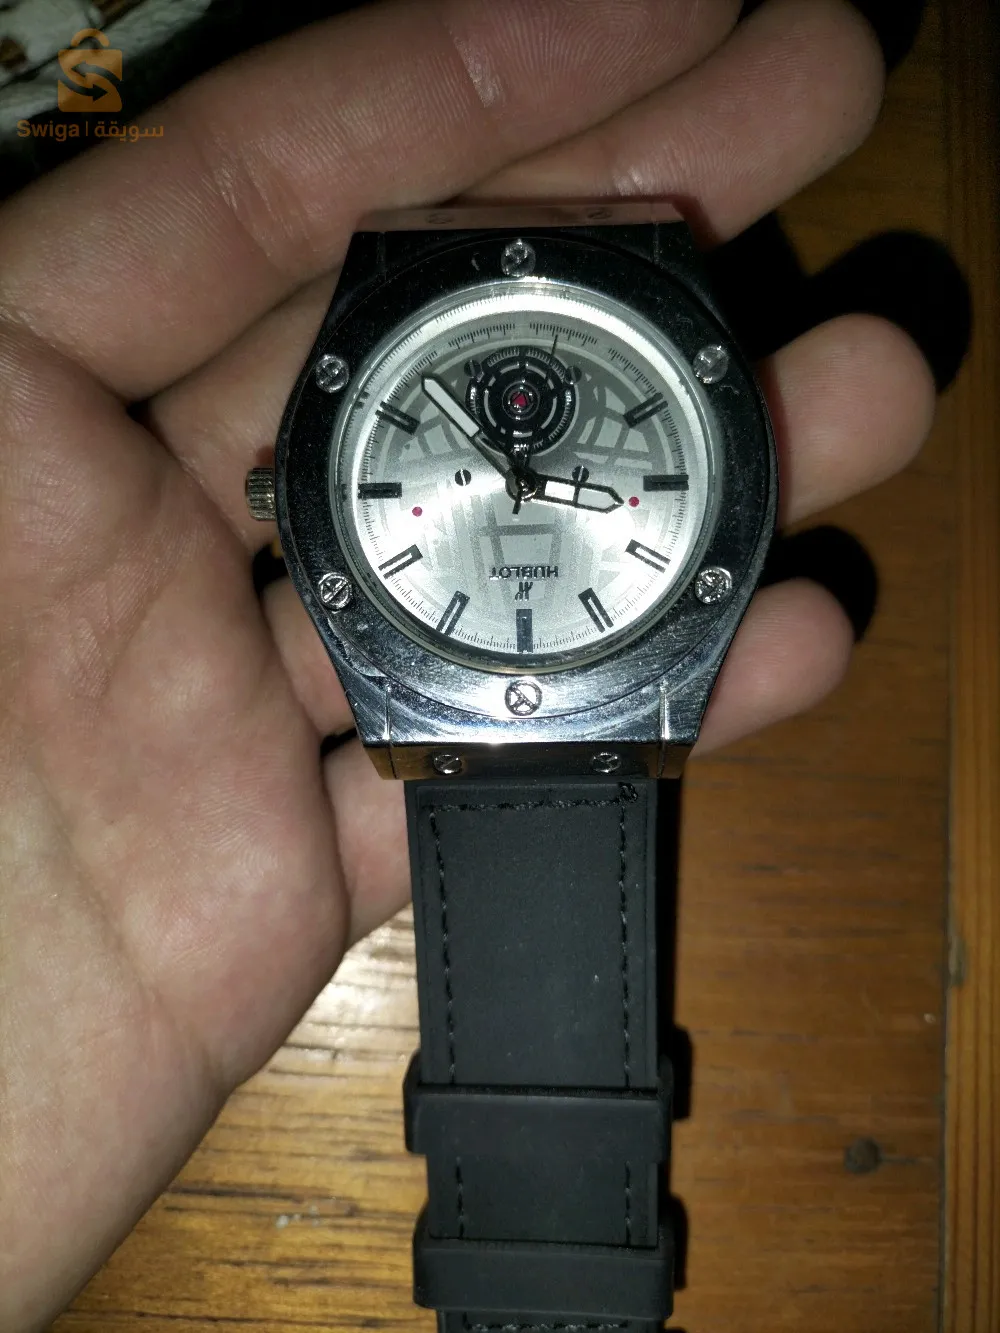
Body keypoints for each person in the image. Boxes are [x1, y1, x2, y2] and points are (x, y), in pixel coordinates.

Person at [0, 0, 937, 1326]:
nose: (518, 483)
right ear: (298, 500)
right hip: (498, 685)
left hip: (584, 684)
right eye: (498, 469)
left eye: (533, 469)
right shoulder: (353, 497)